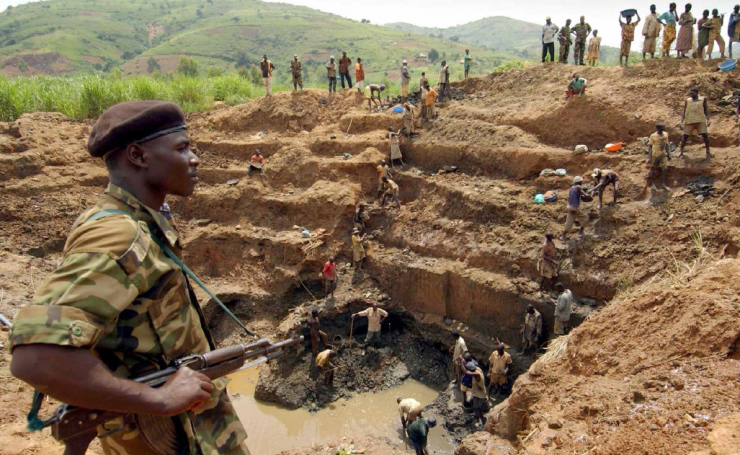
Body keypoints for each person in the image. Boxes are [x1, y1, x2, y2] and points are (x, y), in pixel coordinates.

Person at [8, 100, 249, 454]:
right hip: (165, 438)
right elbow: (36, 357)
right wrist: (161, 400)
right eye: (182, 148)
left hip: (194, 431)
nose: (194, 159)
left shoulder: (143, 218)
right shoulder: (119, 234)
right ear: (138, 155)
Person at [679, 87, 711, 159]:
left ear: (697, 93)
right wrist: (681, 121)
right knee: (685, 136)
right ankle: (681, 152)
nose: (691, 94)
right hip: (689, 121)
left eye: (692, 93)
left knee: (705, 136)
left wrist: (708, 120)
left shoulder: (703, 99)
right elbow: (684, 111)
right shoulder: (688, 100)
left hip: (700, 120)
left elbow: (706, 110)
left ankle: (708, 151)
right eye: (690, 93)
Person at [562, 176, 589, 241]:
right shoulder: (578, 187)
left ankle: (563, 235)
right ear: (579, 182)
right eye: (581, 182)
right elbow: (585, 195)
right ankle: (581, 230)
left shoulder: (571, 188)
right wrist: (588, 194)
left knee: (569, 222)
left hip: (570, 207)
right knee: (585, 217)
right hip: (575, 208)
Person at [647, 122, 672, 190]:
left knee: (665, 169)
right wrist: (649, 157)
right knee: (652, 169)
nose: (664, 128)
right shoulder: (653, 136)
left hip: (662, 154)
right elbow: (650, 147)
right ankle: (652, 184)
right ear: (659, 128)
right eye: (663, 127)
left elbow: (666, 145)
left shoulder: (665, 134)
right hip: (654, 154)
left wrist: (668, 154)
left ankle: (663, 184)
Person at [463, 362, 488, 427]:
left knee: (477, 407)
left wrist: (461, 364)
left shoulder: (477, 374)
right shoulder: (477, 368)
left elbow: (466, 372)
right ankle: (476, 414)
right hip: (476, 392)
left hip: (480, 394)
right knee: (471, 401)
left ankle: (483, 420)